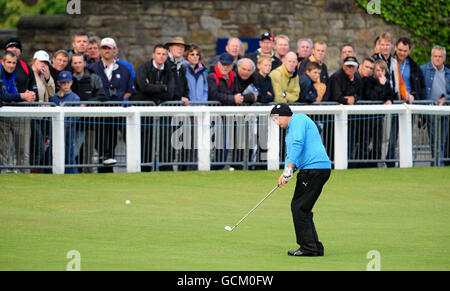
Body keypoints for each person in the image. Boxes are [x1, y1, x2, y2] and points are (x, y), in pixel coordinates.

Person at [270, 103, 331, 256]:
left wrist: (289, 169)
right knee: (303, 207)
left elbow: (298, 143)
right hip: (311, 170)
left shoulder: (298, 119)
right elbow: (291, 155)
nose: (276, 122)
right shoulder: (288, 132)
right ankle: (315, 247)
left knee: (299, 207)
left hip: (314, 169)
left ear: (284, 115)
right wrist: (286, 173)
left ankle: (308, 248)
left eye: (276, 119)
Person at [89, 37, 136, 170]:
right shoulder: (92, 68)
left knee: (113, 140)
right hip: (98, 111)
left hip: (117, 110)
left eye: (109, 48)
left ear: (114, 50)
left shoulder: (124, 69)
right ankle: (102, 165)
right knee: (99, 140)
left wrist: (120, 100)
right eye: (104, 48)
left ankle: (108, 169)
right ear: (100, 50)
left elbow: (130, 89)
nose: (106, 51)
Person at [0, 50, 36, 173]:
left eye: (13, 63)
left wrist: (27, 94)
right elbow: (3, 96)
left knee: (23, 151)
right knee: (2, 151)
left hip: (18, 113)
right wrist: (22, 96)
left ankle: (24, 177)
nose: (11, 65)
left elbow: (15, 93)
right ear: (3, 62)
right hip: (3, 116)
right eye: (8, 62)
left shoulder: (19, 72)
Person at [71, 52, 106, 173]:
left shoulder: (93, 78)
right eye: (75, 62)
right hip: (72, 122)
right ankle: (73, 172)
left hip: (90, 121)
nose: (77, 65)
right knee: (74, 150)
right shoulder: (68, 79)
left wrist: (86, 103)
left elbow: (101, 96)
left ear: (84, 63)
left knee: (88, 150)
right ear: (72, 64)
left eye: (80, 62)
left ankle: (87, 173)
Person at [328, 56, 362, 166]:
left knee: (351, 139)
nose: (350, 68)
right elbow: (336, 95)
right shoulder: (336, 77)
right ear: (343, 66)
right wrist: (348, 99)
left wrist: (354, 98)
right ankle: (333, 163)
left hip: (351, 117)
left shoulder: (357, 77)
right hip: (335, 117)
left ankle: (349, 163)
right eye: (348, 66)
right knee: (334, 141)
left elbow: (360, 94)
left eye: (353, 66)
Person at [361, 59, 395, 167]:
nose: (380, 73)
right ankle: (364, 165)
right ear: (374, 71)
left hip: (379, 117)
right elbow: (372, 96)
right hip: (367, 117)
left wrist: (389, 100)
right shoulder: (368, 81)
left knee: (378, 143)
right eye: (377, 70)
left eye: (382, 70)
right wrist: (381, 85)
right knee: (365, 142)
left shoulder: (386, 81)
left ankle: (375, 164)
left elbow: (390, 94)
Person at [421, 45, 450, 166]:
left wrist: (445, 98)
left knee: (442, 141)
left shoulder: (448, 72)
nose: (437, 59)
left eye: (440, 56)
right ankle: (439, 165)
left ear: (444, 58)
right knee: (435, 141)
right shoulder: (423, 70)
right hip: (431, 111)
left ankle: (438, 164)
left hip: (445, 110)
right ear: (431, 57)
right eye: (435, 56)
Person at [50, 71, 80, 174]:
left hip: (69, 131)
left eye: (68, 82)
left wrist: (66, 124)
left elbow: (76, 116)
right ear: (59, 83)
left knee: (69, 154)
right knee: (56, 153)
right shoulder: (54, 98)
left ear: (71, 82)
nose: (66, 85)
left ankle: (72, 174)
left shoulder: (75, 98)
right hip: (56, 132)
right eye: (63, 83)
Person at [30, 50, 55, 171]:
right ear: (35, 61)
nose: (44, 65)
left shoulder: (42, 76)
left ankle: (37, 172)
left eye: (46, 63)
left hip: (43, 116)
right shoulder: (30, 74)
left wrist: (48, 77)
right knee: (38, 147)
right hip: (33, 116)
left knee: (42, 147)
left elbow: (51, 93)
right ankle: (33, 172)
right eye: (41, 61)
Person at [394, 37, 426, 103]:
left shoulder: (415, 66)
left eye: (405, 51)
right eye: (400, 50)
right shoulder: (389, 63)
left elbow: (421, 86)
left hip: (409, 102)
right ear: (395, 48)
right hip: (394, 101)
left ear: (409, 51)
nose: (402, 53)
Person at [165, 37, 190, 106]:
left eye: (182, 47)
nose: (180, 49)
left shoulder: (182, 66)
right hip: (166, 105)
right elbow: (165, 86)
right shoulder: (164, 63)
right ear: (170, 48)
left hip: (180, 105)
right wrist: (179, 98)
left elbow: (185, 86)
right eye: (177, 46)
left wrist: (185, 97)